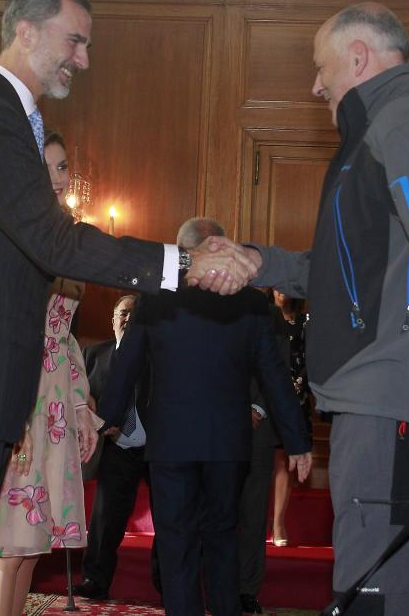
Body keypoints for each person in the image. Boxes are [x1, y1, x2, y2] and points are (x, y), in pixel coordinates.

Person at [0, 0, 257, 616]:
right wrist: (183, 262)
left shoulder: (14, 120)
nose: (83, 58)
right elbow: (56, 243)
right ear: (27, 31)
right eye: (74, 40)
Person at [206, 3, 409, 614]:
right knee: (363, 595)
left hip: (392, 406)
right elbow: (344, 270)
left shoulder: (405, 125)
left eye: (321, 68)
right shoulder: (373, 136)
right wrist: (259, 262)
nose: (315, 84)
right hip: (369, 408)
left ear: (360, 57)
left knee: (378, 601)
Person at [99, 217, 312, 616]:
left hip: (171, 442)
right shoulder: (252, 301)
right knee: (222, 539)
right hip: (228, 442)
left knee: (176, 542)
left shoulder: (157, 295)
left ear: (185, 252)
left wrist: (106, 417)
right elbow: (273, 374)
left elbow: (127, 360)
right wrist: (298, 440)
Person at [0, 131, 101, 616]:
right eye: (49, 167)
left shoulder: (66, 238)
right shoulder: (11, 235)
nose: (60, 177)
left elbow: (64, 338)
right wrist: (13, 415)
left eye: (63, 166)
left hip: (53, 403)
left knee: (33, 548)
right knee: (7, 548)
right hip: (21, 399)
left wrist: (80, 407)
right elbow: (0, 333)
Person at [75, 294, 157, 600]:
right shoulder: (92, 355)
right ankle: (95, 580)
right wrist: (97, 417)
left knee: (169, 518)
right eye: (122, 314)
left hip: (157, 449)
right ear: (113, 320)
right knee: (105, 518)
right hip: (116, 448)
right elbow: (79, 400)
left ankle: (168, 584)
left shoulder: (160, 357)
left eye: (134, 315)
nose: (127, 320)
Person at [238, 303, 294, 615]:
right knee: (215, 512)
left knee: (252, 512)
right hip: (213, 424)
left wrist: (256, 407)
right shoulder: (207, 301)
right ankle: (214, 583)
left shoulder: (267, 313)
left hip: (256, 426)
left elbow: (277, 364)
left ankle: (246, 589)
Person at [270, 288, 310, 547]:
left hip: (296, 400)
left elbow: (312, 360)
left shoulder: (306, 321)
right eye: (276, 284)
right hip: (263, 397)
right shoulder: (262, 318)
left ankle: (278, 523)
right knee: (261, 461)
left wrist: (297, 387)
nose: (281, 290)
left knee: (284, 462)